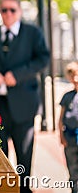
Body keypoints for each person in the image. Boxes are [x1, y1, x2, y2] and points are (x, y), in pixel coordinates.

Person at [0, 0, 50, 193]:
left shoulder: (33, 33)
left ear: (19, 11)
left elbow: (43, 59)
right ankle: (3, 189)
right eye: (4, 10)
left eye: (12, 10)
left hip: (24, 104)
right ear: (0, 12)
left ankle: (24, 189)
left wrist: (19, 75)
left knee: (24, 154)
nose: (8, 14)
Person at [59, 61, 78, 193]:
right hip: (70, 136)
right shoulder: (67, 96)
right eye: (72, 76)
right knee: (72, 168)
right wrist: (61, 136)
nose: (75, 79)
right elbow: (60, 119)